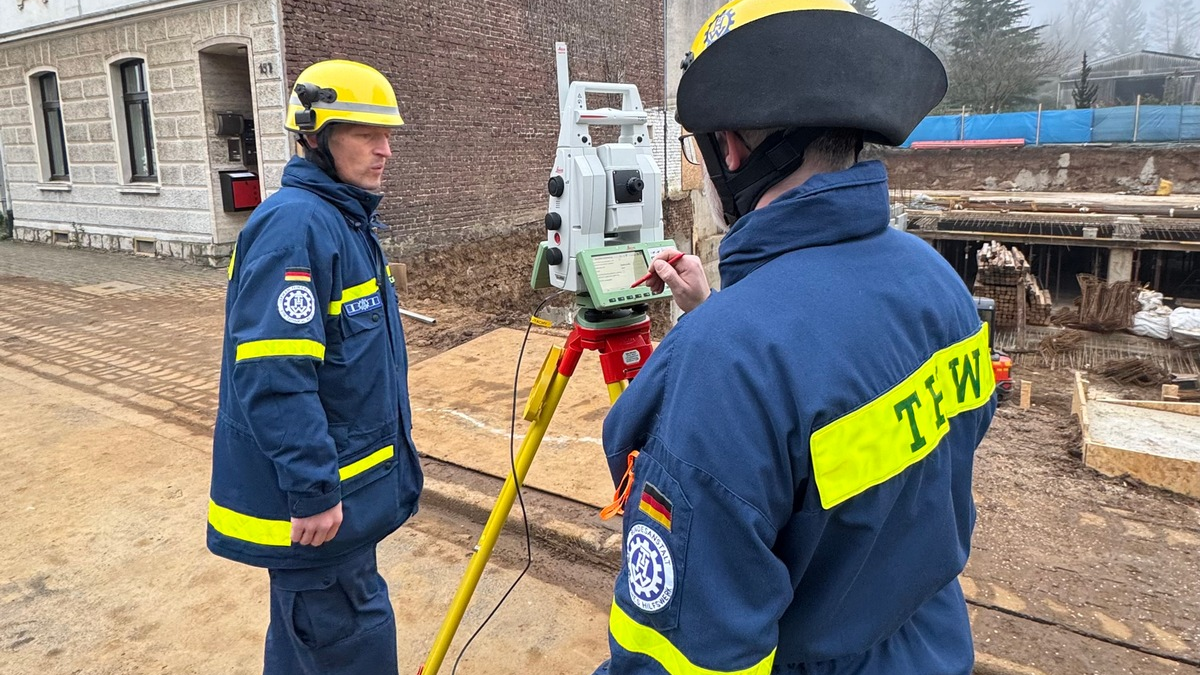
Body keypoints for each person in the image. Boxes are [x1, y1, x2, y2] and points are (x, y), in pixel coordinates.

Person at [591, 1, 996, 674]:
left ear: (728, 149)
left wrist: (724, 332)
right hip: (928, 646)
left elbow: (685, 654)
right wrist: (716, 312)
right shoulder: (936, 281)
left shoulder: (722, 364)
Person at [206, 59, 423, 675]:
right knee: (348, 648)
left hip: (344, 511)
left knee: (311, 651)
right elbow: (274, 374)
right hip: (321, 521)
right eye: (365, 134)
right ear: (314, 137)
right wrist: (313, 491)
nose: (384, 150)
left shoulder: (342, 219)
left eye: (387, 135)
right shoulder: (297, 225)